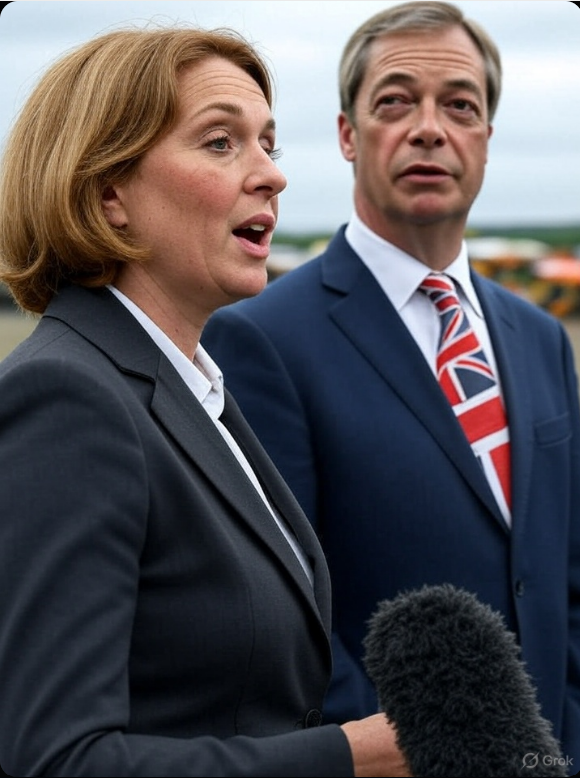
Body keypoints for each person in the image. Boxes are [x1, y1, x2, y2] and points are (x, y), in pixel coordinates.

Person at [0, 25, 411, 777]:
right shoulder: (67, 398)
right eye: (221, 142)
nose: (272, 177)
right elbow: (56, 760)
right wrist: (349, 757)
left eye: (269, 144)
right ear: (108, 193)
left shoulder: (198, 387)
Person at [202, 0, 580, 768]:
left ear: (486, 138)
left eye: (460, 106)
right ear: (347, 134)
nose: (430, 128)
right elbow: (284, 617)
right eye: (396, 101)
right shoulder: (260, 338)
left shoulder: (542, 339)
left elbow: (562, 574)